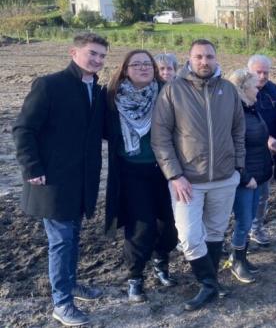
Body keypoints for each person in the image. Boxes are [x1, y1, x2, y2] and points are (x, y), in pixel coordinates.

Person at [13, 33, 109, 327]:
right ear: (73, 52)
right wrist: (32, 167)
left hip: (82, 179)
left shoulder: (97, 90)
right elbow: (23, 129)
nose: (97, 60)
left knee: (73, 237)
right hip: (52, 179)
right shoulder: (49, 85)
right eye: (92, 53)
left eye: (102, 56)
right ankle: (62, 303)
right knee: (61, 241)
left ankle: (71, 284)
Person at [151, 39, 246, 311]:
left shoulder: (228, 90)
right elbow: (160, 138)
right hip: (187, 181)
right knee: (190, 237)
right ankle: (209, 283)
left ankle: (209, 284)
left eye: (209, 56)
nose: (204, 61)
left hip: (225, 178)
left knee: (215, 231)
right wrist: (174, 175)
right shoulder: (172, 91)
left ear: (216, 59)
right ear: (189, 59)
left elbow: (238, 131)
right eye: (199, 56)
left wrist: (238, 168)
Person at [104, 50, 179, 303]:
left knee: (169, 226)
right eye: (136, 64)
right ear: (126, 69)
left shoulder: (166, 92)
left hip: (165, 170)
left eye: (147, 64)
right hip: (132, 171)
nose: (143, 68)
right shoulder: (113, 98)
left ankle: (161, 261)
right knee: (141, 227)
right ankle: (135, 278)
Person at [226, 69, 273, 284]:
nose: (258, 88)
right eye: (254, 86)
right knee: (244, 222)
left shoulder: (252, 109)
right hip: (246, 179)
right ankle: (237, 262)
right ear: (244, 89)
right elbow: (231, 149)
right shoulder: (234, 113)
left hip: (258, 175)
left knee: (250, 218)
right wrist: (245, 177)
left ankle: (242, 258)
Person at [247, 54, 276, 247]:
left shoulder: (274, 92)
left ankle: (256, 228)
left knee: (263, 194)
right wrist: (266, 138)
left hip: (267, 156)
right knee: (244, 196)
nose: (262, 76)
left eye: (265, 72)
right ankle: (241, 232)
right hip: (246, 154)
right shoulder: (239, 92)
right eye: (258, 72)